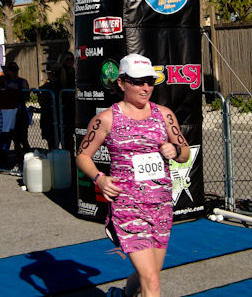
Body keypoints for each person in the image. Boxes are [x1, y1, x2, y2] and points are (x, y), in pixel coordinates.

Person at [76, 54, 190, 297]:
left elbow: (185, 153)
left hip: (161, 205)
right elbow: (82, 156)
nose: (145, 87)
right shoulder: (106, 119)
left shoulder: (165, 115)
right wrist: (100, 178)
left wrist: (176, 150)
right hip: (128, 206)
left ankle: (123, 295)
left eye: (149, 81)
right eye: (138, 82)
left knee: (149, 275)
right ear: (121, 83)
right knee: (152, 281)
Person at [5, 61, 31, 174]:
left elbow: (26, 95)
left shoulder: (22, 82)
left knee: (23, 139)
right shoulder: (5, 82)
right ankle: (18, 162)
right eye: (12, 71)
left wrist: (15, 91)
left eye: (16, 71)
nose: (14, 73)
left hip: (21, 112)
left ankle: (28, 160)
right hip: (10, 114)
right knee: (15, 140)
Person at [38, 61, 62, 150]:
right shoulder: (47, 85)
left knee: (53, 141)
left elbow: (42, 101)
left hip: (52, 116)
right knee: (52, 141)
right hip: (50, 116)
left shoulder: (53, 86)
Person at [57, 51, 75, 152]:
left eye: (71, 59)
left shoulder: (75, 73)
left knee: (70, 137)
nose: (70, 61)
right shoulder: (59, 74)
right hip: (62, 108)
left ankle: (72, 160)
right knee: (62, 137)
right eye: (67, 59)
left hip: (72, 108)